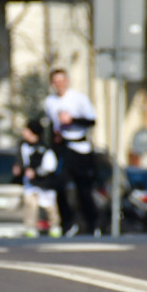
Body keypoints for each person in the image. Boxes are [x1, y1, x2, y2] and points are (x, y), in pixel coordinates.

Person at [43, 68, 98, 236]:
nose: (59, 84)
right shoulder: (50, 102)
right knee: (60, 185)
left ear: (67, 81)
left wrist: (72, 120)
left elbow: (91, 121)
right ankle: (67, 224)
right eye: (56, 82)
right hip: (63, 148)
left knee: (84, 189)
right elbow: (52, 125)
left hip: (81, 148)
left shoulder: (79, 98)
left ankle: (92, 224)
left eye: (62, 81)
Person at [14, 117, 62, 238]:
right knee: (30, 203)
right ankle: (31, 228)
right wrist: (19, 169)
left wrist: (36, 172)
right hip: (30, 183)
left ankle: (55, 226)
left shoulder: (44, 148)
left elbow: (50, 166)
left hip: (44, 182)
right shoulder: (22, 146)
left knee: (49, 206)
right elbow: (22, 162)